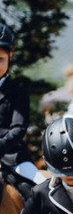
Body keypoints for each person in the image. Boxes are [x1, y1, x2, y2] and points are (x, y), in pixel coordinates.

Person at [0, 23, 46, 196]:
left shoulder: (18, 93)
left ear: (10, 56)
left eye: (0, 59)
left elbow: (18, 129)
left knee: (43, 188)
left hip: (13, 158)